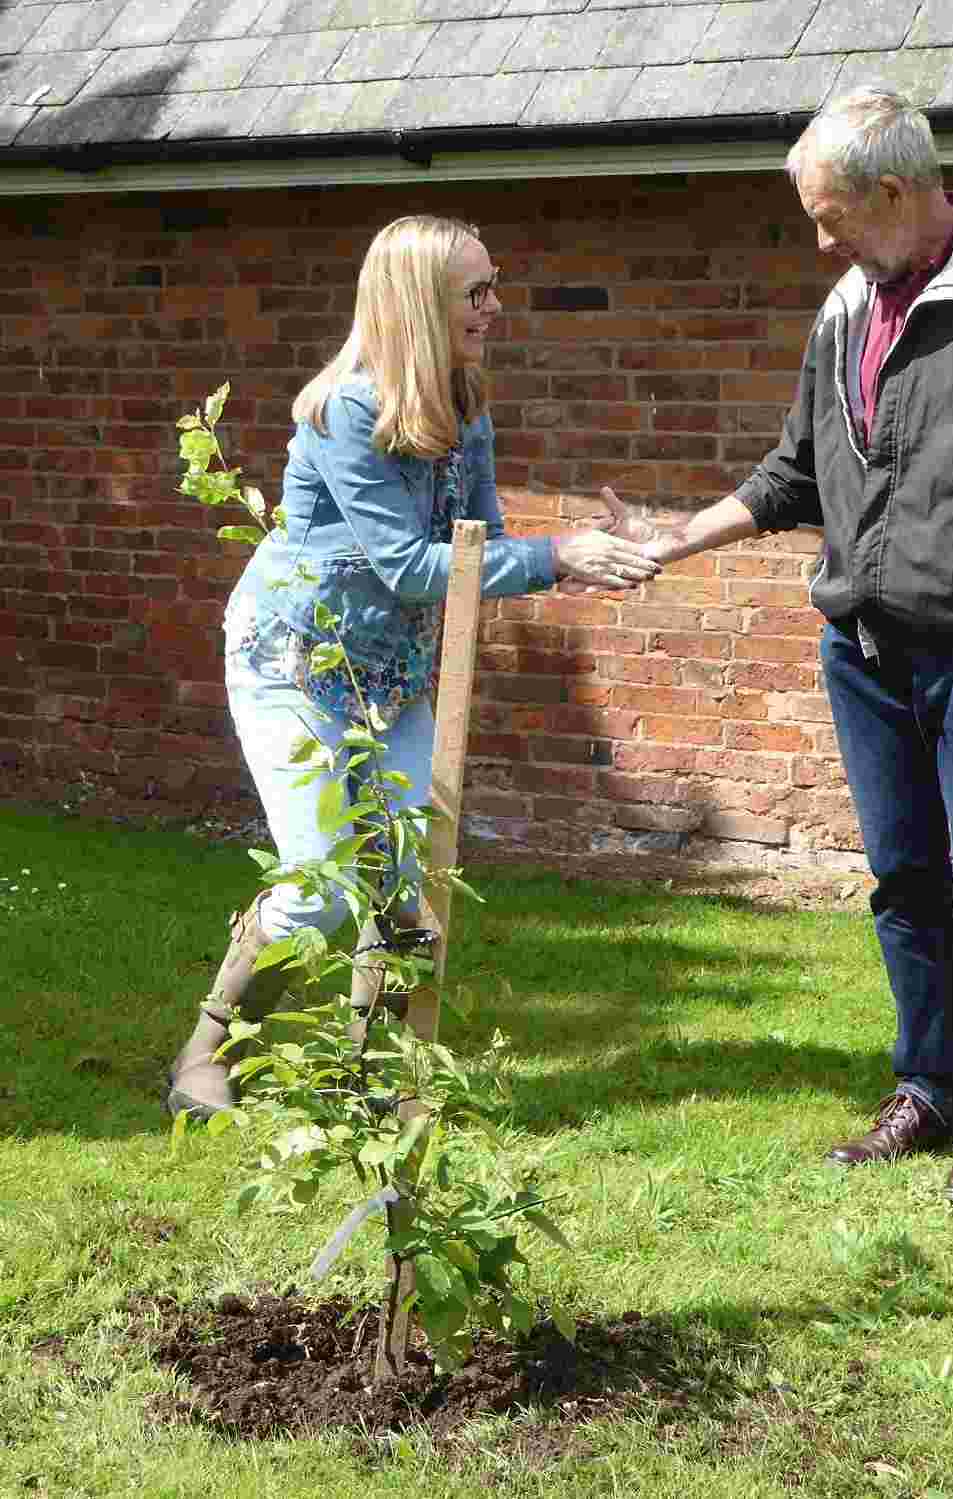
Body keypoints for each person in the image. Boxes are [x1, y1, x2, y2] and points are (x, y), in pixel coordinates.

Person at [606, 90, 953, 1205]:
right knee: (902, 879)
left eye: (831, 213)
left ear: (896, 193)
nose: (821, 240)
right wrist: (676, 538)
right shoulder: (849, 305)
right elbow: (797, 470)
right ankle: (928, 1087)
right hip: (863, 652)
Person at [166, 214, 659, 1121]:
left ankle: (366, 1082)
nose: (495, 307)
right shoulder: (348, 410)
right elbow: (411, 566)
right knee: (317, 885)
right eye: (477, 292)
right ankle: (208, 1050)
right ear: (420, 301)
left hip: (388, 672)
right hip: (293, 662)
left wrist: (602, 552)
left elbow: (483, 550)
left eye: (494, 285)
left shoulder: (466, 406)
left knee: (405, 885)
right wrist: (564, 553)